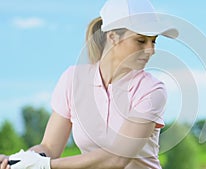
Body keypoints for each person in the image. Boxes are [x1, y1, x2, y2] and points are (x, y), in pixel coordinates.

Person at [0, 0, 178, 168]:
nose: (151, 50)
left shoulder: (151, 89)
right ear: (113, 36)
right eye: (141, 41)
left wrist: (46, 166)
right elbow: (48, 148)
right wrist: (15, 161)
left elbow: (116, 159)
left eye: (153, 41)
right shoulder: (72, 79)